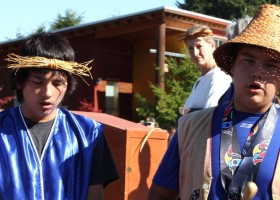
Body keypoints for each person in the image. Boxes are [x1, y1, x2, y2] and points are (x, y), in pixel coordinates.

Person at [148, 4, 280, 200]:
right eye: (248, 60)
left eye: (270, 65)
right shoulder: (190, 127)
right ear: (232, 66)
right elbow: (159, 195)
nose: (257, 72)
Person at [0, 32, 119, 199]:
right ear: (20, 81)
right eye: (38, 82)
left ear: (68, 84)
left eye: (57, 83)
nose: (48, 93)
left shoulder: (89, 134)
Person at [180, 24, 232, 114]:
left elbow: (210, 117)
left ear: (212, 46)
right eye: (190, 48)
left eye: (199, 46)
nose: (195, 53)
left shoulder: (219, 76)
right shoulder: (202, 78)